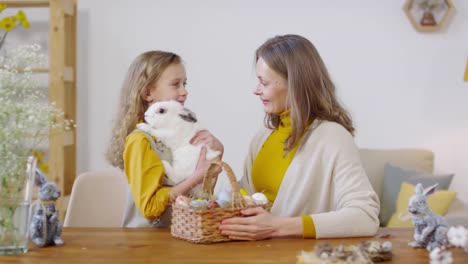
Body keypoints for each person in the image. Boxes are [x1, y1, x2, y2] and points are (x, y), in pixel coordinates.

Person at [219, 34, 380, 239]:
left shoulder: (332, 137)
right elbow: (247, 197)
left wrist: (277, 226)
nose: (256, 90)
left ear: (294, 84)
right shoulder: (263, 137)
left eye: (264, 82)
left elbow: (365, 216)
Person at [106, 51, 223, 227]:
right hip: (148, 243)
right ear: (147, 93)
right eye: (175, 84)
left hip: (181, 234)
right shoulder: (140, 141)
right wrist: (197, 176)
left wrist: (216, 155)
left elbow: (199, 199)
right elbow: (150, 208)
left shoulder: (178, 138)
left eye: (184, 84)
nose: (184, 92)